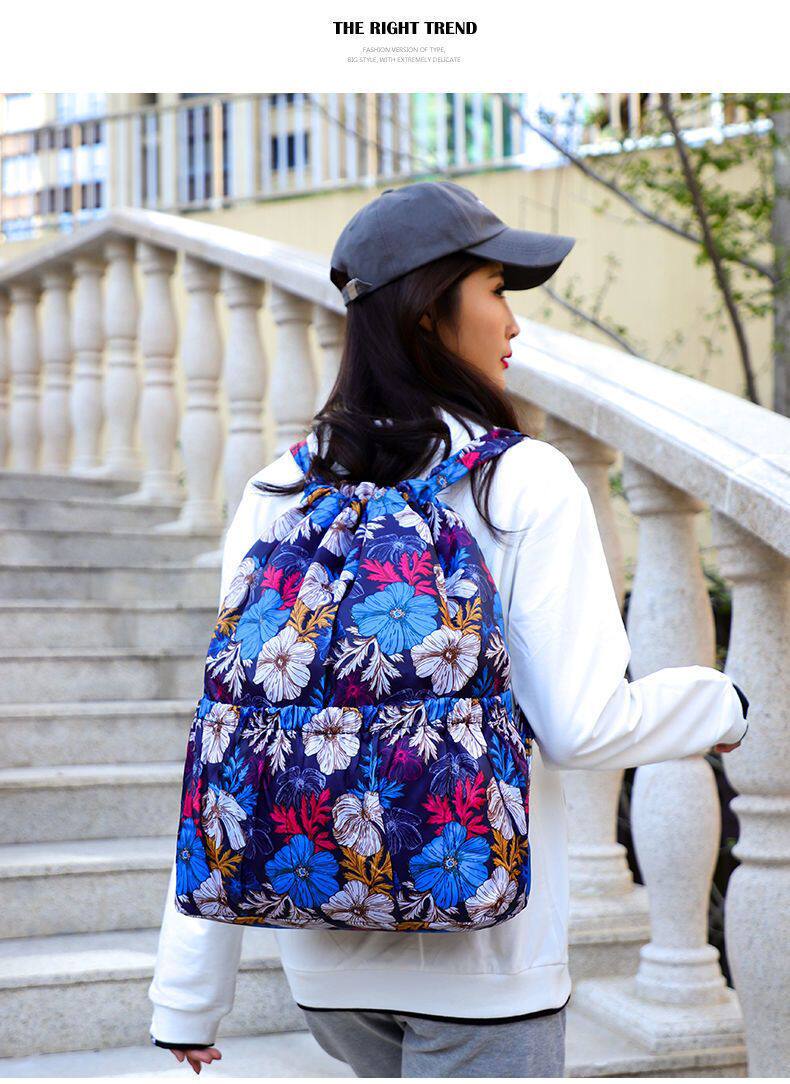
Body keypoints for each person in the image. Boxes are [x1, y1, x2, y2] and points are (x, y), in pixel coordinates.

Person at [148, 181, 749, 1078]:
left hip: (323, 963)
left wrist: (187, 994)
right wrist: (720, 704)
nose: (513, 322)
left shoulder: (279, 490)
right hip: (486, 969)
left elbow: (229, 744)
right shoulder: (523, 483)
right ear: (431, 311)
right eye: (496, 290)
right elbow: (583, 728)